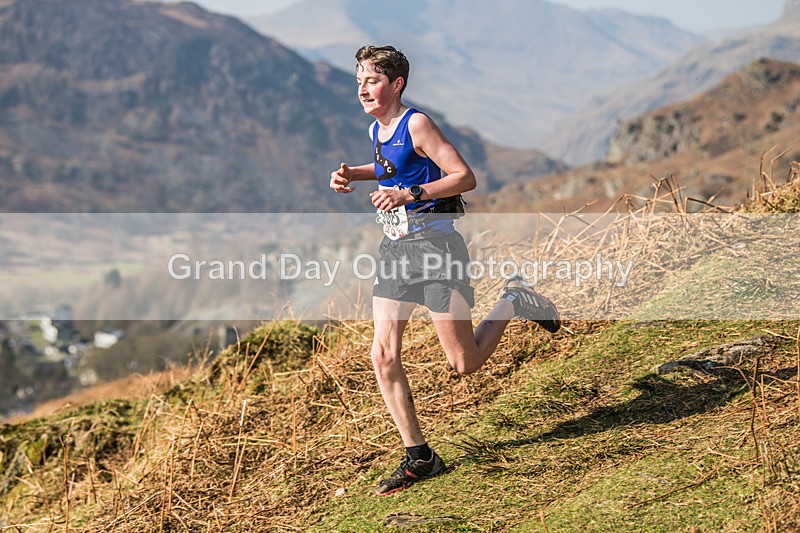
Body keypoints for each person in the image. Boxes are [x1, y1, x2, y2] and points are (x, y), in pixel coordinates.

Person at [329, 45, 561, 496]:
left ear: (396, 84)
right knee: (383, 355)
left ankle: (515, 300)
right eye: (358, 79)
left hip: (437, 249)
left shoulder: (418, 122)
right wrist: (353, 175)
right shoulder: (379, 127)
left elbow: (463, 176)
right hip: (397, 250)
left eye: (372, 79)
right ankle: (420, 456)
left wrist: (409, 194)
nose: (362, 88)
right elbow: (389, 166)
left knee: (464, 362)